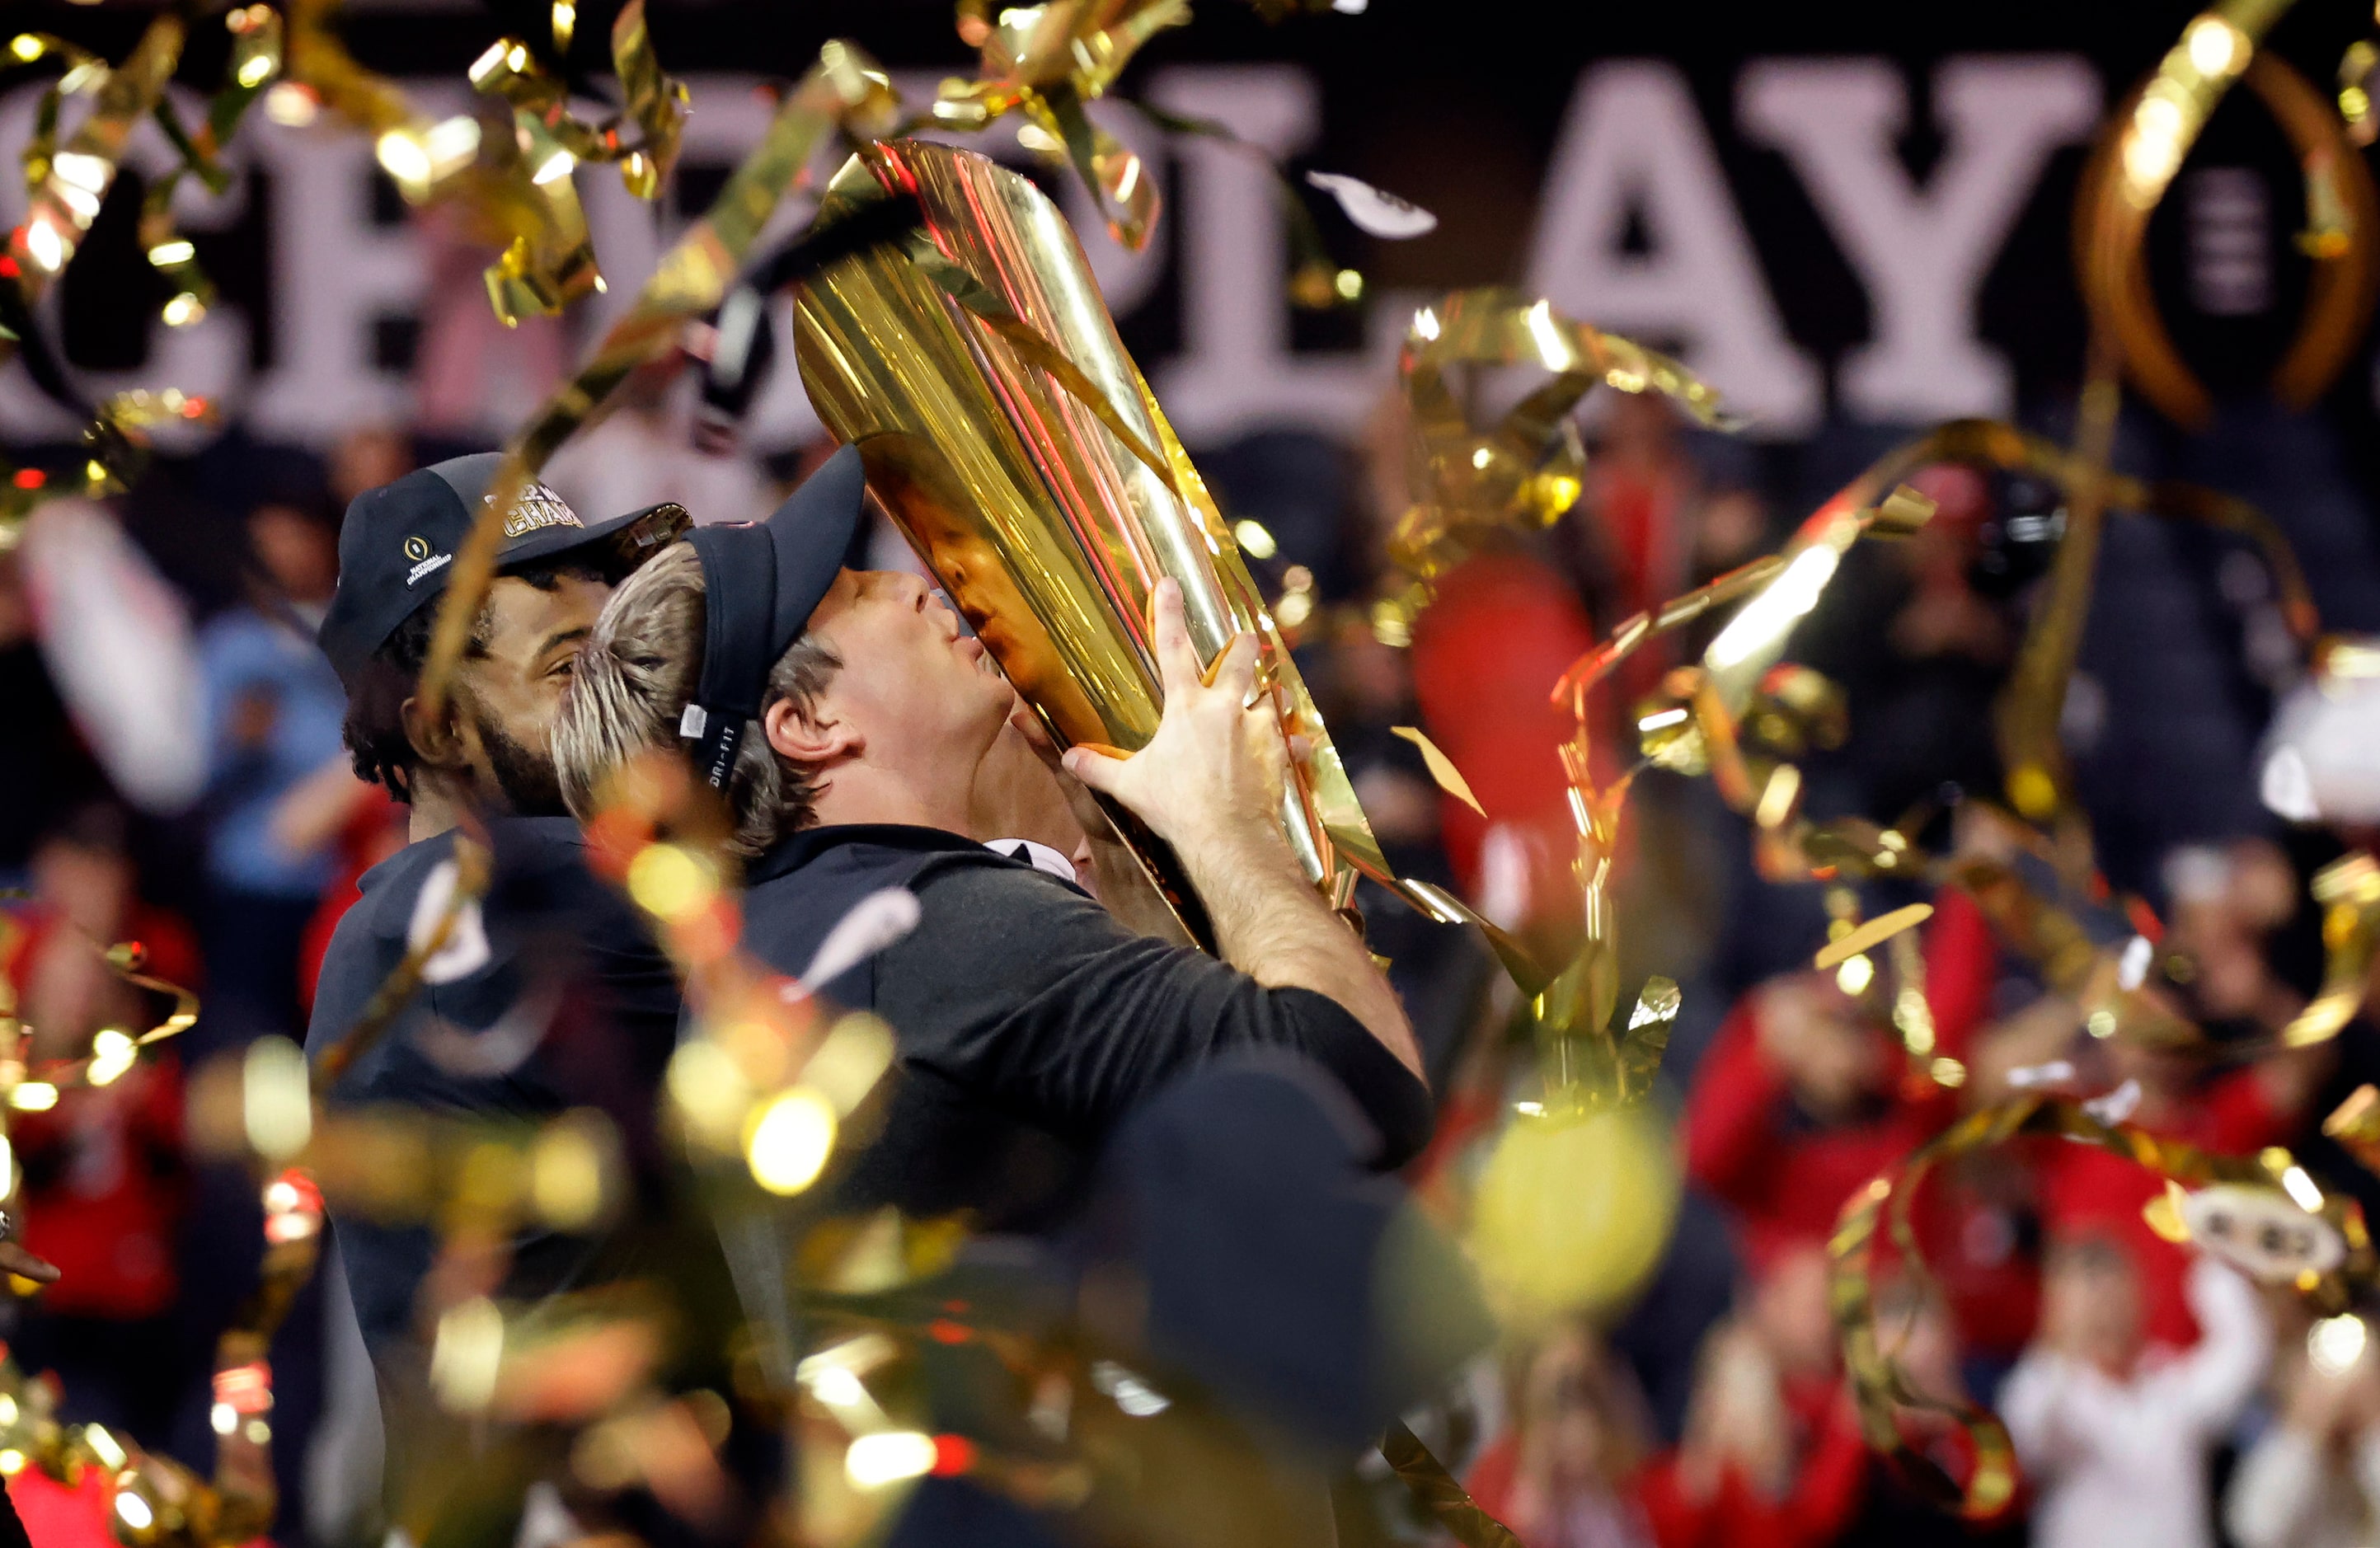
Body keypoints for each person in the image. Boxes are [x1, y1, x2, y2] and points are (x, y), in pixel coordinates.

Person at [553, 446, 1434, 1239]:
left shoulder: (780, 953)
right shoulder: (935, 931)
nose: (912, 585)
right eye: (856, 592)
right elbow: (1364, 1094)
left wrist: (1124, 868)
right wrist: (1227, 826)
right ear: (808, 723)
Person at [303, 454, 697, 1455]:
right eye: (572, 672)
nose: (625, 702)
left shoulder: (426, 915)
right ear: (435, 728)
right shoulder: (478, 913)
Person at [2000, 1237, 2270, 1548]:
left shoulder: (2171, 1387)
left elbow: (2244, 1353)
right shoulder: (2049, 1391)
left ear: (2146, 1296)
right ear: (2056, 1306)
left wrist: (2216, 1256)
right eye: (2093, 1295)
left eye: (2118, 1293)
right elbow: (2023, 1440)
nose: (2107, 1310)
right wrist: (2060, 1348)